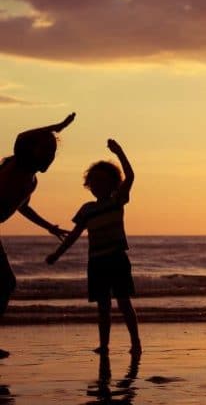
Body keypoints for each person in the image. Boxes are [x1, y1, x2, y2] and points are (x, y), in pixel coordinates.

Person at [46, 139, 141, 356]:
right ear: (89, 185)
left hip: (117, 259)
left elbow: (131, 177)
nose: (98, 186)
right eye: (94, 182)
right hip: (96, 262)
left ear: (113, 184)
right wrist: (57, 254)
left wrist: (119, 152)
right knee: (103, 306)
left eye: (103, 182)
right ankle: (104, 345)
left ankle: (136, 342)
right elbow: (74, 236)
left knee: (124, 302)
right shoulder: (87, 209)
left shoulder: (117, 201)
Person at [0, 113, 75, 358]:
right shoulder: (17, 166)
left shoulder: (31, 181)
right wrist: (58, 127)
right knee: (5, 283)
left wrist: (48, 227)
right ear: (32, 151)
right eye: (45, 150)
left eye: (53, 153)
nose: (50, 157)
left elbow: (22, 206)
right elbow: (22, 136)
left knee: (5, 284)